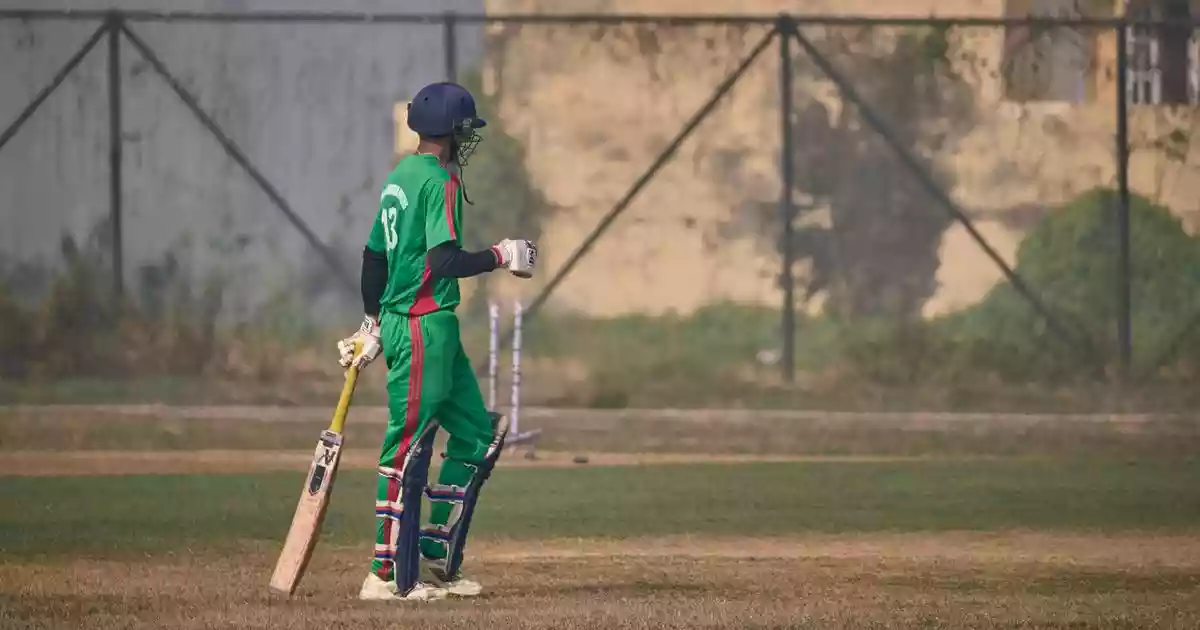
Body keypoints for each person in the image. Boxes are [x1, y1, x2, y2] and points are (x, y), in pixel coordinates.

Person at [337, 81, 538, 602]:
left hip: (430, 326)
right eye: (466, 128)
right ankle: (385, 575)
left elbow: (373, 257)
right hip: (421, 324)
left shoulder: (400, 175)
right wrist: (501, 255)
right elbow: (442, 261)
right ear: (450, 133)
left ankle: (432, 555)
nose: (469, 137)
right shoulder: (439, 184)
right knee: (405, 448)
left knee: (475, 434)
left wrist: (370, 320)